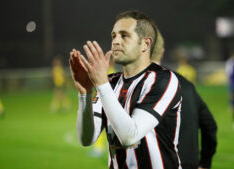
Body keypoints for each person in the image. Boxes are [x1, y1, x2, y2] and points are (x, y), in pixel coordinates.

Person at [69, 10, 182, 169]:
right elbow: (86, 138)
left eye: (124, 35)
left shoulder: (163, 79)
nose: (115, 41)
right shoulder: (110, 82)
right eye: (113, 36)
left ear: (145, 44)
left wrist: (101, 84)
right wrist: (85, 94)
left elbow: (130, 136)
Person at [152, 30, 217, 169]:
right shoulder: (187, 85)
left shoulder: (137, 86)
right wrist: (205, 163)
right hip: (189, 163)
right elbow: (210, 126)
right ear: (161, 51)